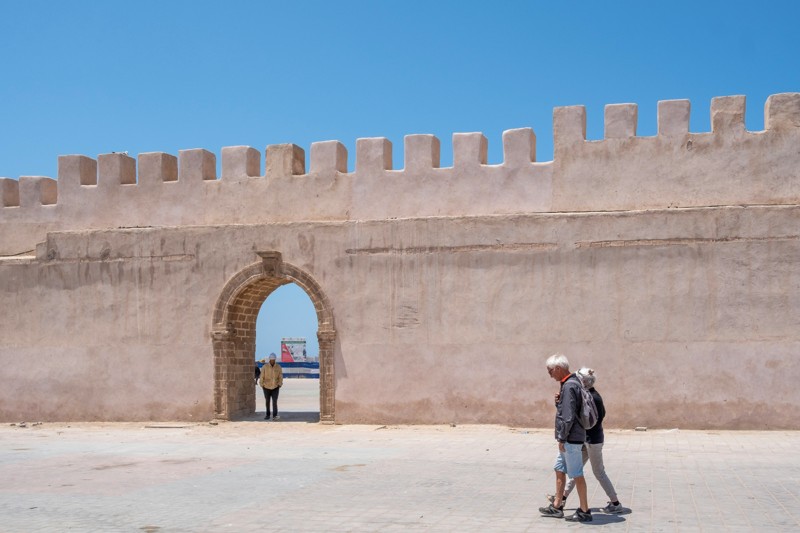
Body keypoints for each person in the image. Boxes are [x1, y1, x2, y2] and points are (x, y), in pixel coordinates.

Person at [556, 367, 624, 514]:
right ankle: (562, 499)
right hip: (586, 439)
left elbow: (581, 417)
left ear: (583, 380)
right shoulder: (591, 395)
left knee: (598, 472)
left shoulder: (590, 397)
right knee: (576, 470)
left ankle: (615, 503)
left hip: (592, 441)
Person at [539, 353, 592, 522]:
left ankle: (585, 511)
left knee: (576, 474)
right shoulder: (573, 382)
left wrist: (562, 438)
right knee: (559, 468)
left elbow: (568, 417)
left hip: (571, 438)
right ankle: (557, 506)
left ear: (558, 369)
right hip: (571, 436)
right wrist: (558, 402)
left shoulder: (569, 386)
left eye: (550, 371)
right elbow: (569, 410)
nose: (549, 374)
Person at [259, 353, 283, 420]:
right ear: (269, 359)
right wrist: (262, 384)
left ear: (275, 359)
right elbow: (262, 376)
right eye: (271, 359)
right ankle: (267, 414)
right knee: (267, 401)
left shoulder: (278, 367)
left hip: (275, 387)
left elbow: (280, 376)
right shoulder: (265, 367)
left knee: (274, 401)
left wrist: (279, 384)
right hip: (266, 387)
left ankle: (275, 415)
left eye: (273, 360)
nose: (272, 361)